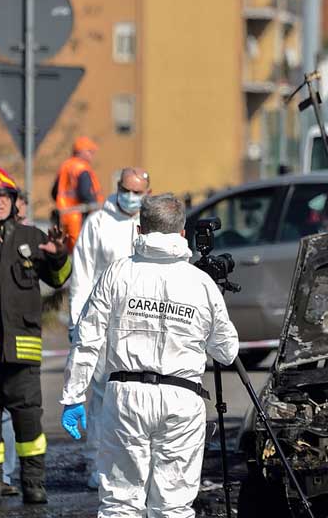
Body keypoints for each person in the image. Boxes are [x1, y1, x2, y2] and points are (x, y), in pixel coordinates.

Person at [61, 193, 239, 517]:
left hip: (126, 397)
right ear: (182, 234)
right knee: (173, 505)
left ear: (139, 230)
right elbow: (226, 352)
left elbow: (87, 339)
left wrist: (74, 395)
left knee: (120, 503)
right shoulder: (200, 284)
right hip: (182, 398)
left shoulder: (117, 274)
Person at [0, 165, 71, 505]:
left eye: (4, 197)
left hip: (22, 350)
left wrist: (59, 258)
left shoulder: (32, 238)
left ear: (14, 201)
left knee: (29, 421)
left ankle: (33, 483)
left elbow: (58, 281)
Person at [68, 166, 151, 490]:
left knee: (138, 396)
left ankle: (135, 464)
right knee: (102, 395)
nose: (131, 197)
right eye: (126, 190)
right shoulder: (98, 224)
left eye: (138, 191)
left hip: (140, 323)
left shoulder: (149, 224)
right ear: (117, 188)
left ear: (147, 191)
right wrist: (78, 322)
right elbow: (82, 276)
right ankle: (97, 464)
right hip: (103, 321)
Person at [52, 136, 103, 251]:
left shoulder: (65, 166)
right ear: (81, 151)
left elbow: (55, 192)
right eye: (90, 152)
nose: (92, 155)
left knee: (67, 249)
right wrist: (96, 210)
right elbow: (86, 194)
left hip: (64, 215)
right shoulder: (82, 168)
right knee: (81, 250)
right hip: (80, 217)